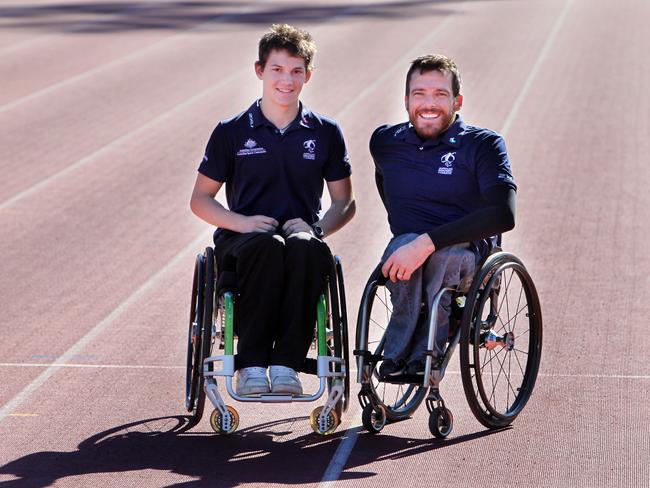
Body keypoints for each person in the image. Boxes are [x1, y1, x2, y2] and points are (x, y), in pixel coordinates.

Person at [190, 24, 355, 396]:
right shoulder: (231, 131)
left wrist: (319, 229)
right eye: (278, 69)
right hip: (244, 239)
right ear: (259, 70)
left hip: (300, 235)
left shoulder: (326, 132)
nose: (287, 80)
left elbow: (345, 201)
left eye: (297, 71)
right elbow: (200, 198)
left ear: (308, 75)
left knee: (306, 247)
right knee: (268, 246)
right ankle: (250, 365)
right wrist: (243, 223)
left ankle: (286, 365)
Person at [370, 54, 516, 377]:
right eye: (419, 94)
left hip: (464, 253)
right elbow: (384, 181)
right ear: (406, 100)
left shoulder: (483, 145)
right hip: (408, 246)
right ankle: (396, 357)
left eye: (440, 94)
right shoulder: (385, 143)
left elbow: (504, 215)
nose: (428, 104)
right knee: (401, 248)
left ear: (457, 101)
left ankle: (423, 356)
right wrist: (410, 236)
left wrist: (427, 242)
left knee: (438, 257)